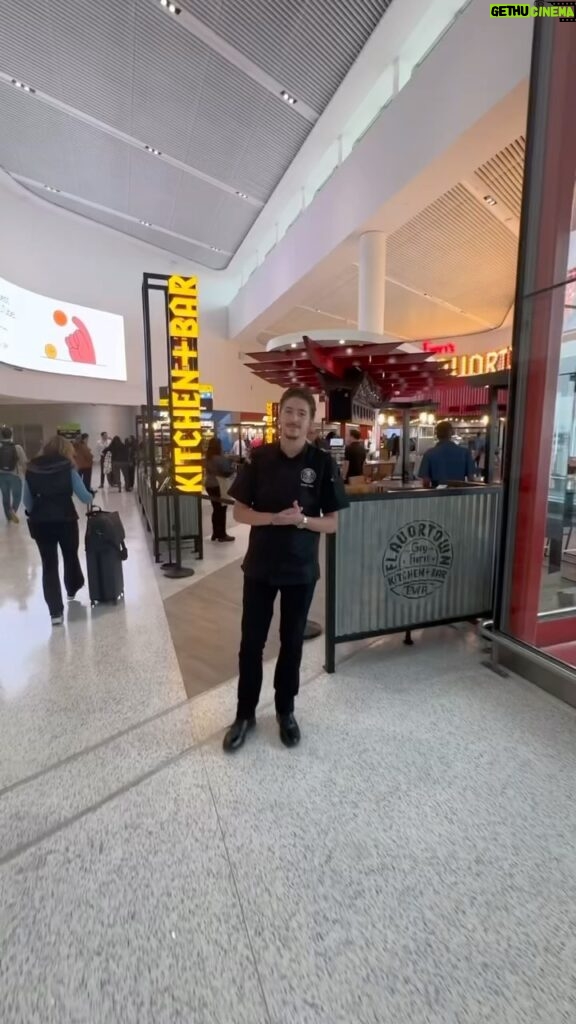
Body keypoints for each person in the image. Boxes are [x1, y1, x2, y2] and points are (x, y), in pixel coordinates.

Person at [223, 386, 349, 753]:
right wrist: (274, 519)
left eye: (302, 414)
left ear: (311, 423)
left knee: (292, 642)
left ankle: (285, 710)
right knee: (251, 643)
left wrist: (301, 521)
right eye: (289, 412)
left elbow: (332, 524)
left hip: (300, 571)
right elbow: (239, 512)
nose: (294, 420)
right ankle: (245, 713)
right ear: (279, 417)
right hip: (260, 567)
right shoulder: (259, 458)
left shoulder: (322, 463)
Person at [24, 435, 93, 625]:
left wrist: (34, 510)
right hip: (65, 519)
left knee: (49, 565)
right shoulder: (67, 467)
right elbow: (84, 496)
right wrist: (90, 495)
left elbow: (27, 501)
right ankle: (72, 588)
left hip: (41, 522)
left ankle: (55, 612)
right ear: (66, 450)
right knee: (70, 555)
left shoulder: (31, 468)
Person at [418, 420, 477, 488]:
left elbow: (426, 481)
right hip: (459, 494)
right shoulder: (465, 452)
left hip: (437, 494)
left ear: (436, 434)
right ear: (451, 433)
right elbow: (471, 479)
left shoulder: (429, 454)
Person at [204, 436, 235, 542]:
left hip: (209, 484)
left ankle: (215, 533)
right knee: (222, 509)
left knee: (215, 509)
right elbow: (226, 471)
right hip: (218, 485)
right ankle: (222, 534)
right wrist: (233, 468)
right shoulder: (219, 458)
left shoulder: (208, 458)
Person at [0, 425, 27, 524]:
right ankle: (13, 510)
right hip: (15, 475)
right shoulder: (17, 447)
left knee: (5, 496)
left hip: (1, 476)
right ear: (11, 435)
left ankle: (8, 517)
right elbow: (23, 462)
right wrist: (26, 475)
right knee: (17, 495)